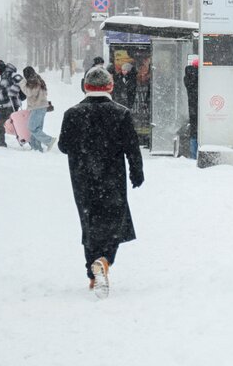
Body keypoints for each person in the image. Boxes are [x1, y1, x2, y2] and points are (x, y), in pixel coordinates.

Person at [58, 66, 145, 299]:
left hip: (82, 180)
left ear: (86, 87)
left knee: (89, 223)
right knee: (116, 223)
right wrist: (136, 172)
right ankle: (104, 261)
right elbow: (132, 148)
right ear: (110, 87)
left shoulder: (72, 113)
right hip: (112, 179)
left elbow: (63, 146)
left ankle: (93, 272)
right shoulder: (121, 113)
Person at [19, 66, 56, 152]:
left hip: (37, 107)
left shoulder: (33, 81)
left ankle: (49, 140)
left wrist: (22, 83)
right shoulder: (38, 79)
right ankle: (36, 148)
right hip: (41, 107)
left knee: (32, 128)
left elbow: (29, 92)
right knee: (37, 129)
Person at [0, 60, 23, 148]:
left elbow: (21, 82)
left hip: (11, 104)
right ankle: (25, 138)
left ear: (0, 68)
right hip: (5, 105)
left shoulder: (11, 74)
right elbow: (6, 87)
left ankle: (0, 145)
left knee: (0, 125)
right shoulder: (4, 75)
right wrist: (0, 91)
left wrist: (13, 91)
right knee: (13, 124)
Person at [183, 57, 199, 158]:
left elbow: (189, 86)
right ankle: (199, 151)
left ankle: (193, 154)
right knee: (201, 129)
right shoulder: (201, 75)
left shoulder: (187, 76)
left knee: (194, 129)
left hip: (192, 105)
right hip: (202, 106)